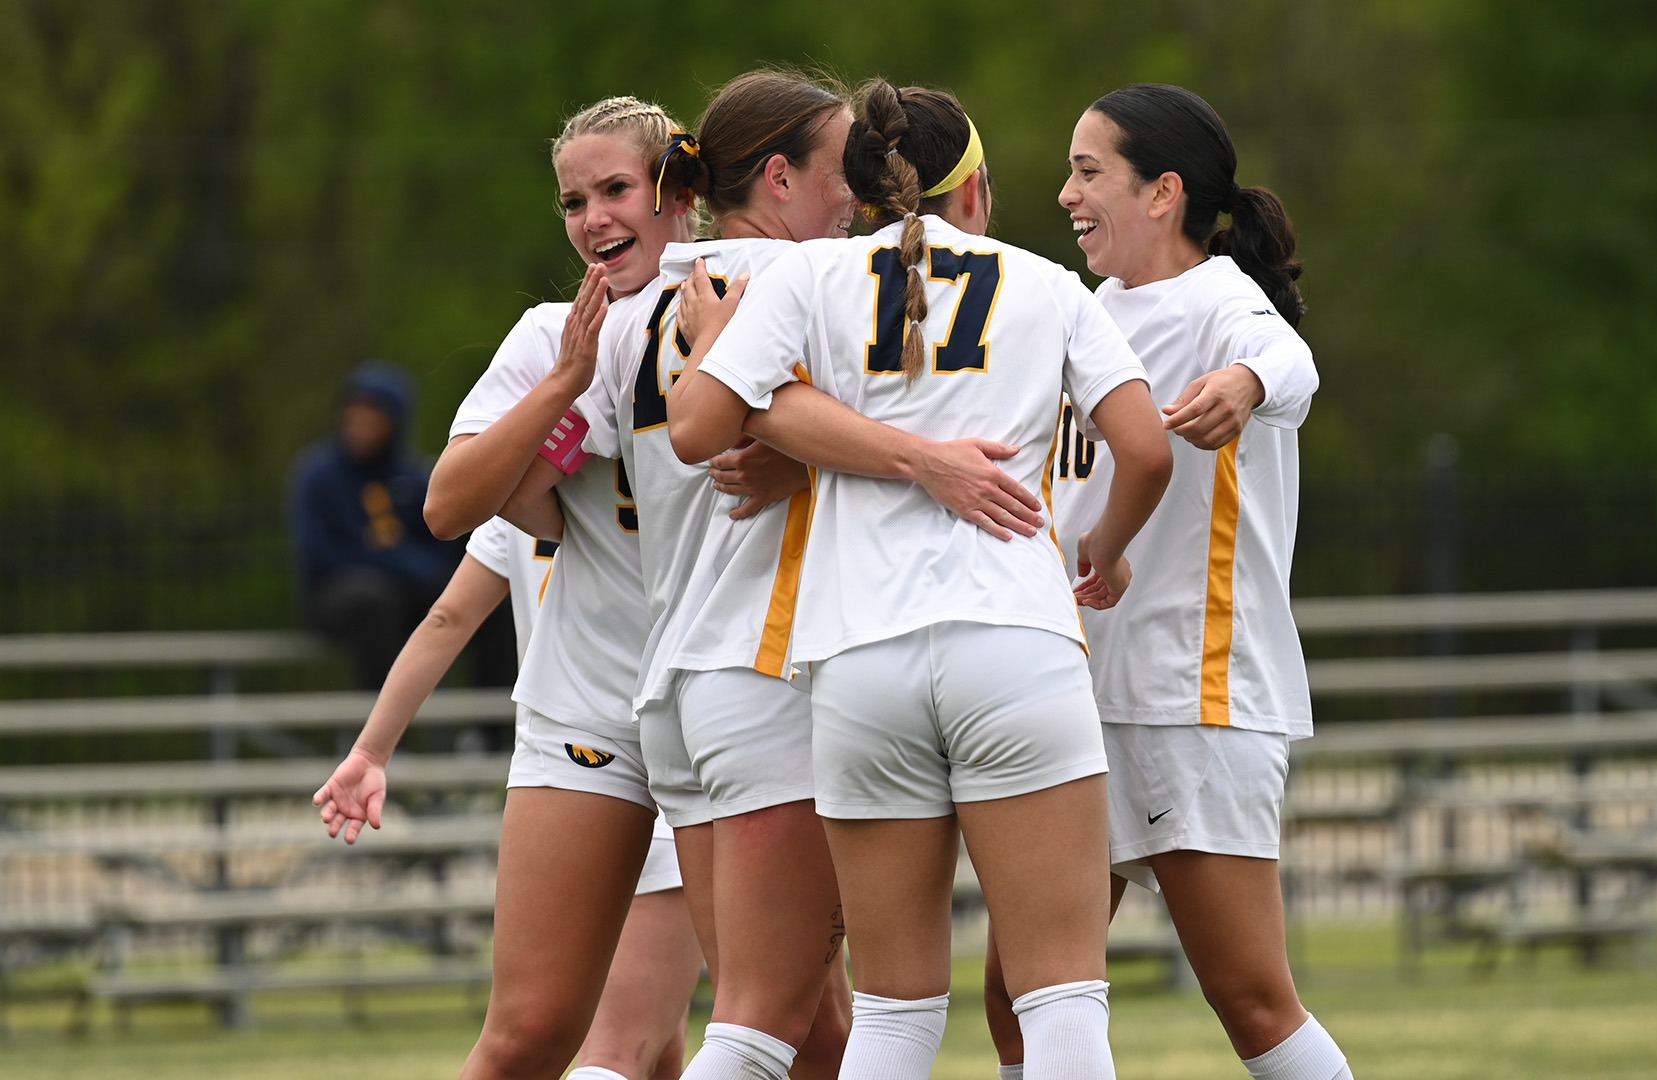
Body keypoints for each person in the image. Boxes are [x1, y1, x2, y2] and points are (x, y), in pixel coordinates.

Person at [666, 78, 1173, 1080]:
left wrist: (717, 342)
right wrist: (1102, 548)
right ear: (974, 190)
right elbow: (1146, 452)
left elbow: (696, 428)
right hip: (1015, 644)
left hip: (859, 666)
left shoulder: (806, 282)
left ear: (859, 191)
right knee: (1061, 997)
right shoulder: (1045, 285)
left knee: (896, 1017)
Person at [551, 69, 1048, 1080]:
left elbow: (560, 492)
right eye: (839, 173)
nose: (860, 195)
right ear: (778, 177)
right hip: (768, 677)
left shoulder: (648, 303)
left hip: (677, 692)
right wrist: (919, 456)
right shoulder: (788, 284)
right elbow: (761, 421)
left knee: (815, 1031)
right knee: (758, 1027)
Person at [983, 84, 1353, 1080]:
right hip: (1078, 692)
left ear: (1163, 194)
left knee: (1250, 997)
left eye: (1089, 170)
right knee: (1019, 998)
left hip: (1191, 692)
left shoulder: (1219, 299)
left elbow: (1289, 358)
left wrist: (1247, 382)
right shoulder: (1088, 309)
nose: (1065, 192)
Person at [417, 96, 703, 1080]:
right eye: (573, 201)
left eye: (616, 189)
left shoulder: (752, 303)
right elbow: (448, 507)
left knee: (804, 1030)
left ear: (678, 190)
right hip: (593, 705)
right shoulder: (550, 334)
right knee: (535, 1030)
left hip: (732, 701)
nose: (593, 218)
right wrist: (563, 384)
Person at [313, 514, 703, 1080]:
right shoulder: (675, 453)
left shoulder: (520, 489)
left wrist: (372, 750)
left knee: (651, 1044)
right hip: (663, 755)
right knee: (619, 1054)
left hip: (557, 772)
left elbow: (446, 618)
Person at [286, 361, 474, 689]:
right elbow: (319, 556)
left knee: (477, 593)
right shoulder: (317, 475)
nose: (360, 424)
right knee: (372, 598)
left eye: (373, 415)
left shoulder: (413, 476)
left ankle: (485, 730)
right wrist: (395, 561)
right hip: (337, 597)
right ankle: (382, 730)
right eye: (354, 413)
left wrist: (410, 564)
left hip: (404, 592)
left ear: (395, 421)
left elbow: (443, 544)